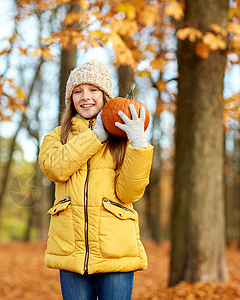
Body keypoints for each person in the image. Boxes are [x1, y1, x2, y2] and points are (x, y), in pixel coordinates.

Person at [38, 60, 153, 300]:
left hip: (115, 252)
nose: (85, 97)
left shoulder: (121, 143)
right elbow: (55, 168)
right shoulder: (57, 137)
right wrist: (96, 135)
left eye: (93, 90)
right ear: (71, 98)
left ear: (105, 96)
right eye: (78, 91)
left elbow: (129, 194)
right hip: (72, 253)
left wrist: (138, 145)